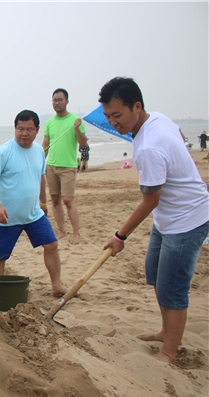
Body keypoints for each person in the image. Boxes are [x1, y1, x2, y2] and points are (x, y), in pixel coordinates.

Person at [99, 77, 209, 365]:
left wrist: (119, 237)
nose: (113, 123)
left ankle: (169, 352)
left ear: (137, 106)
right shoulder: (157, 118)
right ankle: (165, 331)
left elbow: (150, 200)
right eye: (108, 116)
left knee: (173, 287)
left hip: (187, 219)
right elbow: (180, 136)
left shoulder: (147, 146)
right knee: (157, 274)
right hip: (168, 217)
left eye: (118, 115)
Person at [0, 110, 67, 296]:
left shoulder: (39, 151)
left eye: (29, 129)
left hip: (33, 214)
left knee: (52, 245)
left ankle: (56, 285)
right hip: (6, 217)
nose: (24, 133)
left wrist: (43, 204)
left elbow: (40, 177)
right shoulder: (5, 151)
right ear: (15, 128)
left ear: (37, 130)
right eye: (20, 128)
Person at [42, 88, 88, 245]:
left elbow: (83, 143)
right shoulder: (50, 122)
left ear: (67, 101)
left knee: (68, 200)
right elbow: (46, 144)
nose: (57, 102)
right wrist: (39, 161)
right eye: (55, 100)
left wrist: (76, 128)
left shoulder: (75, 120)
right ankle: (62, 231)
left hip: (68, 166)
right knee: (55, 200)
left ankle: (76, 233)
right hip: (51, 166)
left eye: (60, 99)